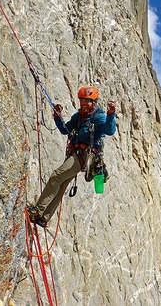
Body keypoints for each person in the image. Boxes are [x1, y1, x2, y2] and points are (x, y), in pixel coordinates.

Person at [28, 85, 116, 227]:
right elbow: (65, 129)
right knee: (61, 184)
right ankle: (44, 218)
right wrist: (58, 116)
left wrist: (111, 114)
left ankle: (38, 210)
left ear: (94, 102)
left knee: (56, 176)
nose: (82, 104)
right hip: (76, 154)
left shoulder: (99, 117)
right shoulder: (79, 115)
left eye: (86, 101)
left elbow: (110, 130)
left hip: (85, 156)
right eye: (81, 100)